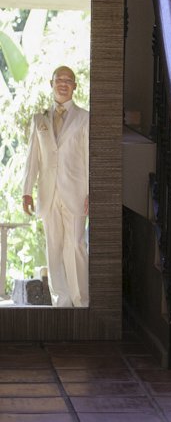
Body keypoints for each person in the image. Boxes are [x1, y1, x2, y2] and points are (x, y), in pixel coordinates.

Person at [21, 65, 89, 308]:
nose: (63, 83)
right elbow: (32, 158)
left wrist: (91, 192)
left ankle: (81, 302)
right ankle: (62, 303)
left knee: (76, 246)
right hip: (48, 193)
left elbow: (89, 157)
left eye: (68, 80)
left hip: (76, 192)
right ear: (51, 84)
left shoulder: (85, 118)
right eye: (59, 79)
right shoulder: (39, 119)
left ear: (74, 86)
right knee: (54, 248)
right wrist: (26, 191)